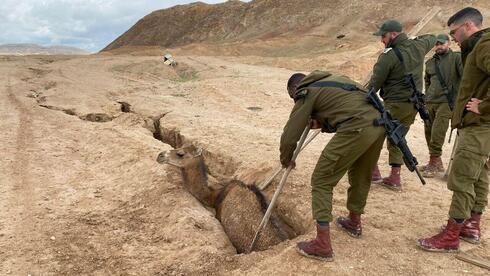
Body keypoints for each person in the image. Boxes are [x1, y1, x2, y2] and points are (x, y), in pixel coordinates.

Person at [280, 70, 385, 261]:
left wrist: (286, 159)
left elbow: (290, 135)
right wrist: (323, 123)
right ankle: (354, 222)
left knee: (321, 180)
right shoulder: (332, 80)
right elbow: (344, 109)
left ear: (295, 88)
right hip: (379, 124)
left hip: (357, 126)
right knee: (361, 174)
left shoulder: (305, 91)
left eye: (293, 97)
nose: (295, 101)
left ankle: (322, 245)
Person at [417, 7, 490, 252]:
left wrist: (486, 106)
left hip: (479, 127)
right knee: (478, 177)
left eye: (454, 32)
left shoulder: (483, 45)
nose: (453, 38)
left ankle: (451, 235)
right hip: (480, 128)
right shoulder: (478, 46)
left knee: (461, 179)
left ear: (468, 26)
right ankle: (471, 225)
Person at [368, 20, 436, 191]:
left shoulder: (388, 56)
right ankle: (395, 176)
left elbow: (373, 85)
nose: (381, 40)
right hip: (413, 105)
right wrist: (413, 38)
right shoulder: (419, 46)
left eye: (383, 36)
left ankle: (373, 171)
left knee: (372, 133)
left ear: (393, 34)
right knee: (398, 137)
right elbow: (432, 38)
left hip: (394, 104)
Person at [420, 34, 463, 177]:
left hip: (447, 102)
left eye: (441, 43)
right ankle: (436, 161)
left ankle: (433, 162)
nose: (438, 46)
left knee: (438, 131)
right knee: (428, 131)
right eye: (437, 44)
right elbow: (427, 81)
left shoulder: (457, 58)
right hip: (430, 100)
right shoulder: (430, 63)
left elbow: (464, 78)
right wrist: (426, 97)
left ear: (449, 44)